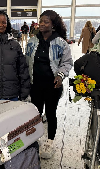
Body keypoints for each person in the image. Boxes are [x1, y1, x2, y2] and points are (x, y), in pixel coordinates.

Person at [26, 10, 73, 159]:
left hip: (53, 86)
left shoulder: (61, 43)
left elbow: (66, 63)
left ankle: (50, 141)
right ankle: (34, 139)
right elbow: (26, 60)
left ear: (53, 25)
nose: (42, 24)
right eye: (41, 21)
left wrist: (60, 75)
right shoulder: (32, 41)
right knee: (36, 113)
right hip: (35, 84)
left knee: (51, 113)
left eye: (46, 21)